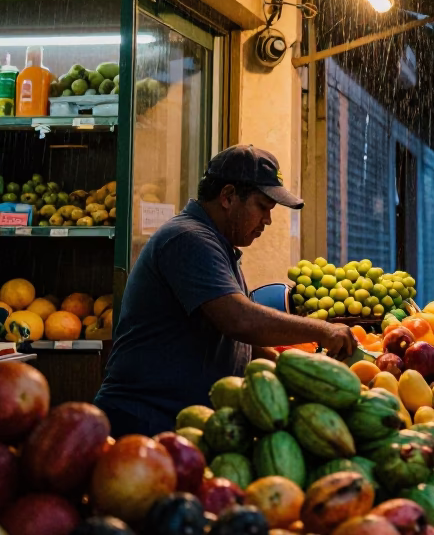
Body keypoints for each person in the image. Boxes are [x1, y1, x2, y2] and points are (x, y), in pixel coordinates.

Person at [95, 144, 355, 436]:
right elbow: (239, 321)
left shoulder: (217, 244)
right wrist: (322, 330)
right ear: (228, 196)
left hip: (180, 423)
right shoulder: (188, 239)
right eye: (263, 207)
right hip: (144, 421)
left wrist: (293, 371)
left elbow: (239, 341)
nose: (267, 221)